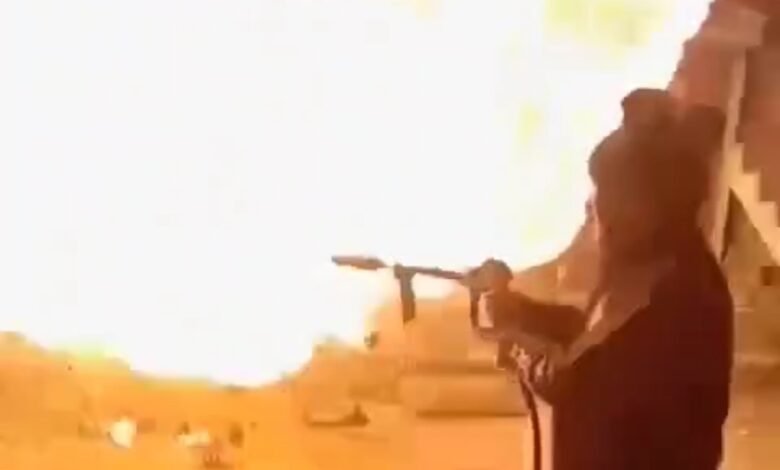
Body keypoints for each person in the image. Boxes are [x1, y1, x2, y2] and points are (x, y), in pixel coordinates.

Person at [484, 89, 733, 470]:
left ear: (639, 206)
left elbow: (577, 380)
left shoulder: (677, 296)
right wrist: (520, 310)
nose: (592, 205)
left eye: (602, 190)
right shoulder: (648, 269)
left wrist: (514, 340)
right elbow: (589, 333)